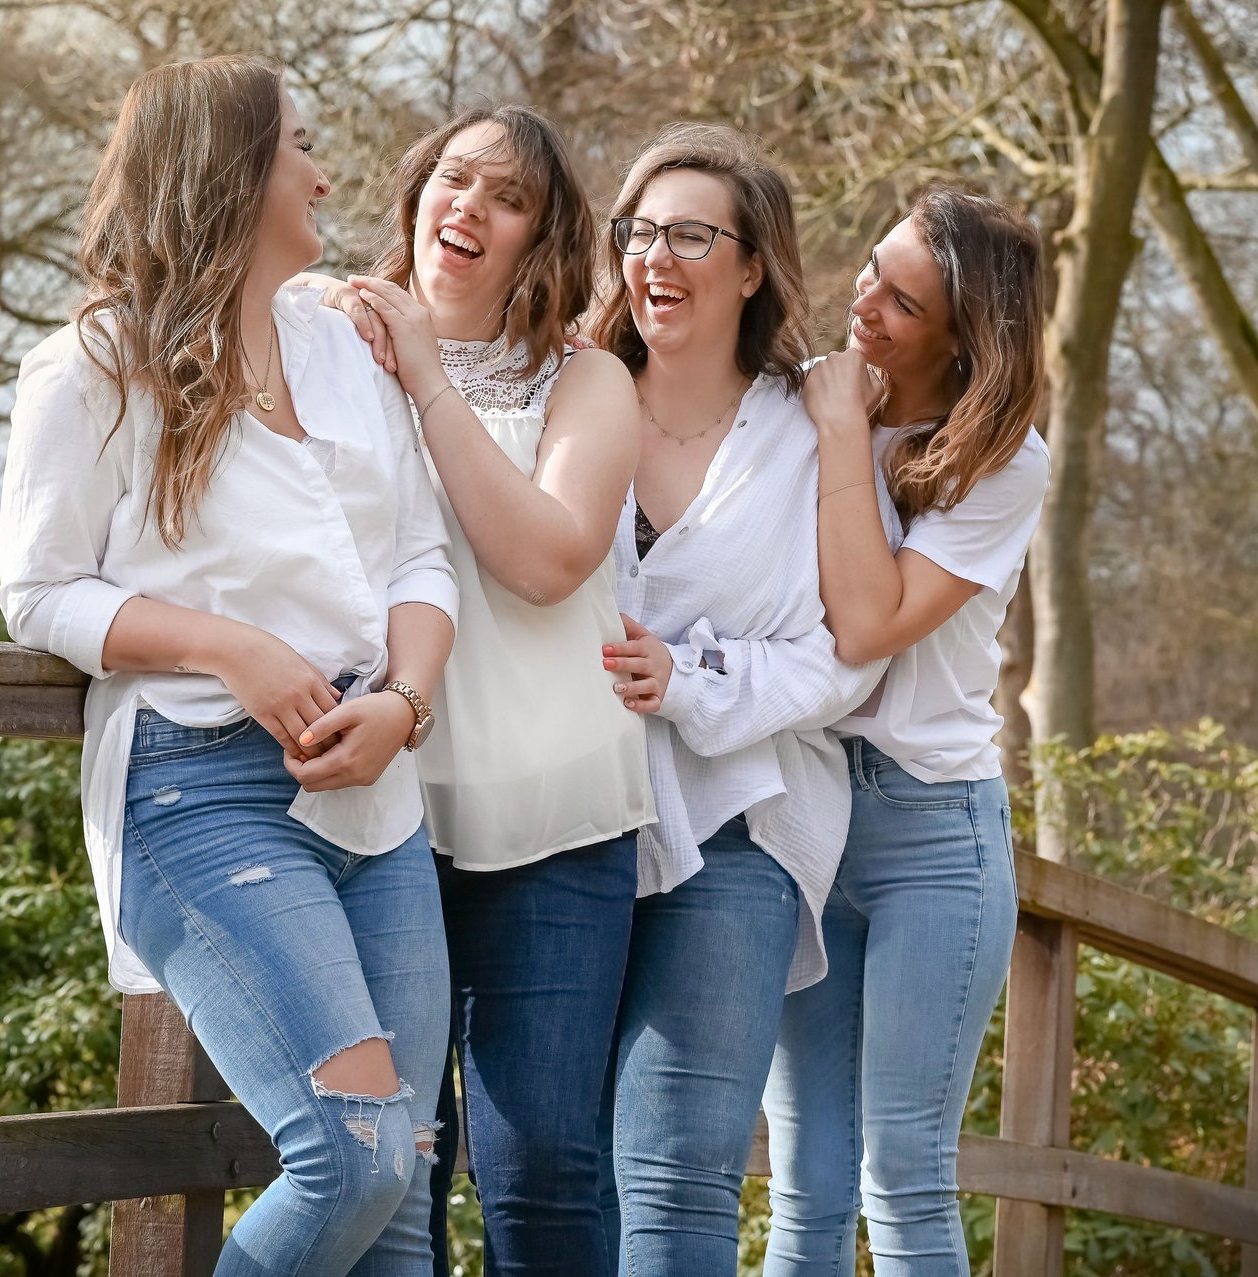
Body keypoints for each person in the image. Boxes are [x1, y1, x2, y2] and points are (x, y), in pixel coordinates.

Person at [0, 55, 456, 1276]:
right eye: (297, 145)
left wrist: (407, 702)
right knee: (353, 1153)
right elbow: (38, 589)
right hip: (197, 791)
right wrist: (226, 643)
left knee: (404, 1193)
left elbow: (421, 556)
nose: (321, 170)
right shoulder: (92, 367)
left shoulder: (348, 352)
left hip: (375, 793)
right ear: (231, 172)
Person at [301, 107, 651, 1277]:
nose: (467, 207)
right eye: (454, 177)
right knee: (389, 1163)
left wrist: (432, 383)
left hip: (553, 819)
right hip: (373, 812)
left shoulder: (587, 381)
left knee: (543, 1158)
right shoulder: (315, 340)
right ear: (414, 190)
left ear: (538, 237)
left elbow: (551, 558)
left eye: (504, 197)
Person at [590, 123, 886, 1275]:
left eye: (691, 235)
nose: (655, 256)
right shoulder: (572, 394)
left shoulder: (810, 436)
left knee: (674, 1168)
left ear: (754, 264)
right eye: (639, 231)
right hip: (560, 817)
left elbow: (849, 654)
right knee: (554, 1163)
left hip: (743, 823)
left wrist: (693, 681)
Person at [760, 188, 1051, 1276]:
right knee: (806, 1182)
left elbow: (870, 621)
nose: (865, 307)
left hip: (936, 830)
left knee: (904, 1174)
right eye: (870, 274)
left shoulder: (1005, 461)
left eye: (904, 301)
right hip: (808, 809)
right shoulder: (797, 406)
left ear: (966, 339)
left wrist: (843, 432)